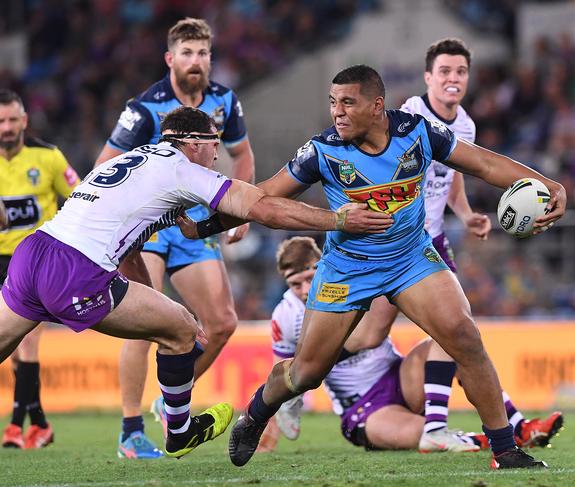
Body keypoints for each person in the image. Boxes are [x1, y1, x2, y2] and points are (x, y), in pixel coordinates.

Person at [0, 106, 392, 460]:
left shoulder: (133, 159)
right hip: (75, 269)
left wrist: (148, 302)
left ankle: (177, 427)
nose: (217, 155)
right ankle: (180, 432)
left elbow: (130, 247)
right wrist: (337, 220)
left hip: (33, 252)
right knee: (183, 329)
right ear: (193, 144)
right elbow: (262, 208)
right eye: (213, 144)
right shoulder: (181, 169)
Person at [225, 64, 566, 470]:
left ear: (377, 106)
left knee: (465, 337)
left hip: (410, 258)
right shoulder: (322, 151)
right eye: (333, 103)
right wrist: (211, 218)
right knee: (306, 373)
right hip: (347, 269)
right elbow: (263, 196)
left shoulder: (418, 132)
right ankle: (256, 414)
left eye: (348, 103)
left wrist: (550, 185)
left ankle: (505, 450)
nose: (338, 112)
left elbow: (483, 164)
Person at [359, 38, 563, 450]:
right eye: (446, 72)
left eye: (461, 72)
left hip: (430, 241)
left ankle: (458, 426)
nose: (454, 79)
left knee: (456, 330)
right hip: (392, 240)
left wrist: (466, 213)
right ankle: (293, 371)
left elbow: (453, 174)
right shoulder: (410, 116)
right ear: (428, 78)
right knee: (364, 338)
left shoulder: (465, 124)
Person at [94, 18, 255, 458]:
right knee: (145, 322)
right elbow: (104, 163)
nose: (195, 61)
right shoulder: (144, 107)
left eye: (203, 53)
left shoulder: (224, 100)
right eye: (187, 53)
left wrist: (237, 214)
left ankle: (171, 405)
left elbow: (242, 155)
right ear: (170, 59)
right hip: (148, 227)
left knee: (222, 324)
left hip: (191, 226)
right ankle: (131, 430)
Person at [258, 236, 485, 453]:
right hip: (363, 407)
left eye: (310, 278)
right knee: (418, 435)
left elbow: (373, 333)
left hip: (399, 377)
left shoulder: (351, 279)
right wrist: (271, 423)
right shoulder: (286, 314)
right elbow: (281, 373)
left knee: (450, 336)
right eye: (295, 284)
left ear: (321, 266)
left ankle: (439, 428)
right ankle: (461, 435)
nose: (306, 291)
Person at [0, 89, 80, 449]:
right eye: (1, 121)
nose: (6, 127)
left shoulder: (47, 157)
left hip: (35, 262)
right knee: (13, 346)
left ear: (24, 121)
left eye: (12, 120)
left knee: (27, 342)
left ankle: (15, 427)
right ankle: (41, 424)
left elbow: (79, 199)